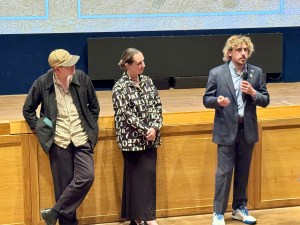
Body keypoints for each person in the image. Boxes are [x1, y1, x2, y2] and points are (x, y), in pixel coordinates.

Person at [23, 49, 100, 225]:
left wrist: (88, 125)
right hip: (59, 141)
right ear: (58, 69)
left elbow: (94, 107)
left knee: (87, 176)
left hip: (81, 138)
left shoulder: (82, 78)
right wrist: (43, 126)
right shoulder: (43, 83)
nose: (74, 66)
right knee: (63, 187)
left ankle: (54, 212)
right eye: (68, 64)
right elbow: (28, 110)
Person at [203, 35, 270, 225]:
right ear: (229, 52)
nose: (243, 54)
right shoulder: (217, 73)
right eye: (239, 50)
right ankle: (218, 212)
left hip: (246, 129)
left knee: (243, 171)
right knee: (224, 172)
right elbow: (206, 99)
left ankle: (239, 208)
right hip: (226, 130)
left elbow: (265, 100)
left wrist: (253, 93)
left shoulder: (256, 73)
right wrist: (218, 101)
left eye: (246, 50)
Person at [112, 48, 163, 225]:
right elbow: (126, 114)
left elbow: (157, 106)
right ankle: (141, 217)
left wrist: (154, 128)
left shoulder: (148, 81)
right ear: (127, 65)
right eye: (138, 63)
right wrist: (145, 130)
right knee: (135, 179)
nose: (143, 65)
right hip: (132, 140)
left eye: (143, 61)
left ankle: (146, 217)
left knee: (148, 177)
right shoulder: (120, 87)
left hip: (151, 138)